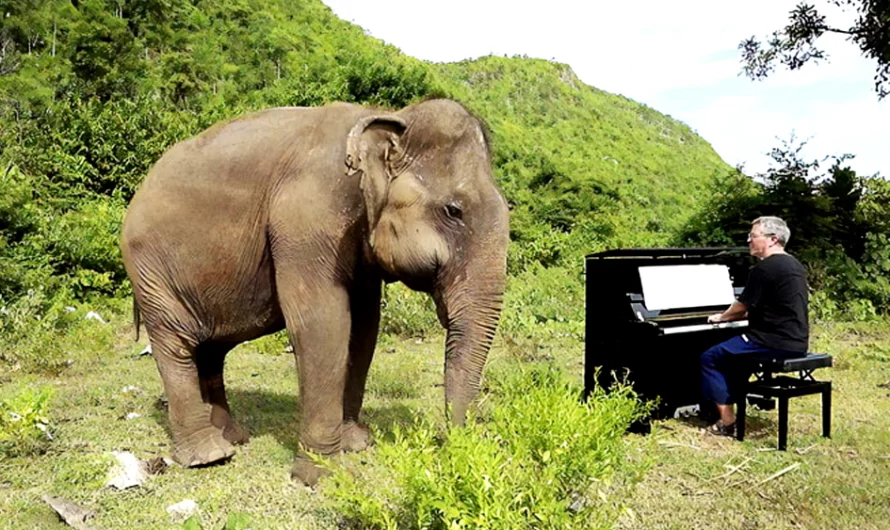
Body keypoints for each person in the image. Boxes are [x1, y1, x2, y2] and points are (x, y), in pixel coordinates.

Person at [700, 216, 809, 436]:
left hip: (771, 341)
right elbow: (771, 304)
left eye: (753, 236)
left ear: (773, 239)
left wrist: (721, 317)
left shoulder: (765, 268)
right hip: (797, 340)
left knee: (710, 358)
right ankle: (722, 406)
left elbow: (740, 308)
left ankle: (727, 422)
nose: (749, 240)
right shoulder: (794, 265)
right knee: (735, 359)